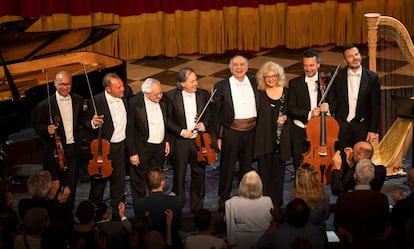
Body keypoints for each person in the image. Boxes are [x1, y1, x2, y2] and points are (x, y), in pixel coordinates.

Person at [211, 54, 258, 213]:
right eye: (235, 65)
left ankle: (246, 198)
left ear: (247, 66)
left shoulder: (255, 81)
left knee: (247, 166)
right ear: (231, 68)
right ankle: (223, 199)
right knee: (227, 167)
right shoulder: (221, 86)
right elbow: (215, 115)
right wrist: (217, 136)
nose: (239, 68)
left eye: (242, 65)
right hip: (231, 132)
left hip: (251, 131)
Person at [32, 71, 84, 209]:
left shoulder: (78, 100)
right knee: (55, 184)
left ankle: (69, 214)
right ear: (55, 84)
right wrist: (46, 130)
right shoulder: (44, 105)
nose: (65, 88)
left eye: (68, 84)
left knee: (71, 184)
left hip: (73, 148)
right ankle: (54, 214)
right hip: (54, 151)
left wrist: (92, 122)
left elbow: (82, 120)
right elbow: (37, 126)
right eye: (62, 84)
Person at [166, 67, 211, 213]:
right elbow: (166, 119)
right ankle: (179, 205)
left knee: (199, 173)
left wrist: (205, 124)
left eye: (196, 80)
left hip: (199, 140)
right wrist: (180, 131)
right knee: (179, 174)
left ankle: (197, 206)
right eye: (192, 81)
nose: (196, 83)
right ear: (182, 83)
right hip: (181, 142)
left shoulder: (204, 94)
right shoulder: (171, 97)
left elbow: (210, 114)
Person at [87, 72, 128, 220]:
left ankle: (118, 217)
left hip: (121, 147)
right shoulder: (95, 101)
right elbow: (85, 124)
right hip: (103, 149)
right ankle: (94, 217)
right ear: (108, 89)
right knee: (98, 186)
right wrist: (93, 123)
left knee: (119, 184)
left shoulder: (126, 93)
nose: (123, 89)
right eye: (119, 87)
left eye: (122, 85)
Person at [126, 77, 170, 215]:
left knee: (156, 179)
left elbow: (165, 122)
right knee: (139, 182)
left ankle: (156, 208)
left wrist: (166, 141)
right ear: (146, 93)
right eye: (156, 94)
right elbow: (129, 129)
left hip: (159, 148)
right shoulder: (134, 103)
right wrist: (132, 152)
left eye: (161, 92)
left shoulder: (163, 99)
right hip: (142, 148)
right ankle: (141, 214)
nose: (160, 96)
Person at [328, 43, 380, 151]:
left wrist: (372, 130)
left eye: (356, 54)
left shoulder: (372, 78)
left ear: (360, 55)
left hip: (362, 126)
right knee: (342, 159)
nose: (355, 58)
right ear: (345, 60)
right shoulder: (337, 76)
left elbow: (375, 107)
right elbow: (333, 102)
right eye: (350, 56)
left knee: (360, 161)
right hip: (341, 125)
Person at [254, 61, 291, 207]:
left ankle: (277, 206)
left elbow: (292, 111)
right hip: (264, 141)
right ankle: (264, 206)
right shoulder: (259, 94)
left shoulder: (286, 93)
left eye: (273, 76)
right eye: (266, 76)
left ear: (279, 76)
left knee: (278, 177)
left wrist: (286, 117)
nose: (270, 79)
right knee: (264, 176)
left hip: (280, 142)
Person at [287, 49, 329, 177]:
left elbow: (336, 103)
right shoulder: (294, 83)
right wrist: (310, 114)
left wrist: (327, 107)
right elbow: (291, 108)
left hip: (319, 129)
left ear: (318, 65)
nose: (308, 68)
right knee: (299, 164)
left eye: (311, 65)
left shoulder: (326, 82)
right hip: (300, 128)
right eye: (305, 65)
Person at [333, 159, 390, 244]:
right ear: (373, 177)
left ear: (355, 176)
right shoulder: (382, 199)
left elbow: (337, 226)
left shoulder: (344, 198)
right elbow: (384, 227)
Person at [134, 167, 183, 249]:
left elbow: (140, 230)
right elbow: (179, 225)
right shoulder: (175, 201)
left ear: (147, 184)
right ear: (163, 183)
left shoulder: (139, 204)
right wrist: (173, 200)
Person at [225, 170, 273, 249]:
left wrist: (231, 244)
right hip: (263, 242)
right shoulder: (267, 201)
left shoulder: (231, 203)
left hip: (241, 244)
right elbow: (271, 220)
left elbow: (231, 231)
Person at [257, 198, 326, 249]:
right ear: (308, 215)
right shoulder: (318, 234)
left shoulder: (278, 235)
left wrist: (275, 222)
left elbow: (260, 244)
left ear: (288, 216)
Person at [291, 163, 330, 239]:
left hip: (301, 237)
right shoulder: (324, 196)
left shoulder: (295, 198)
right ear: (315, 177)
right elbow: (326, 215)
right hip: (319, 236)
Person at [390, 168, 414, 249]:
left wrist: (400, 203)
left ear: (410, 184)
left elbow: (394, 225)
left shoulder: (403, 206)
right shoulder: (405, 204)